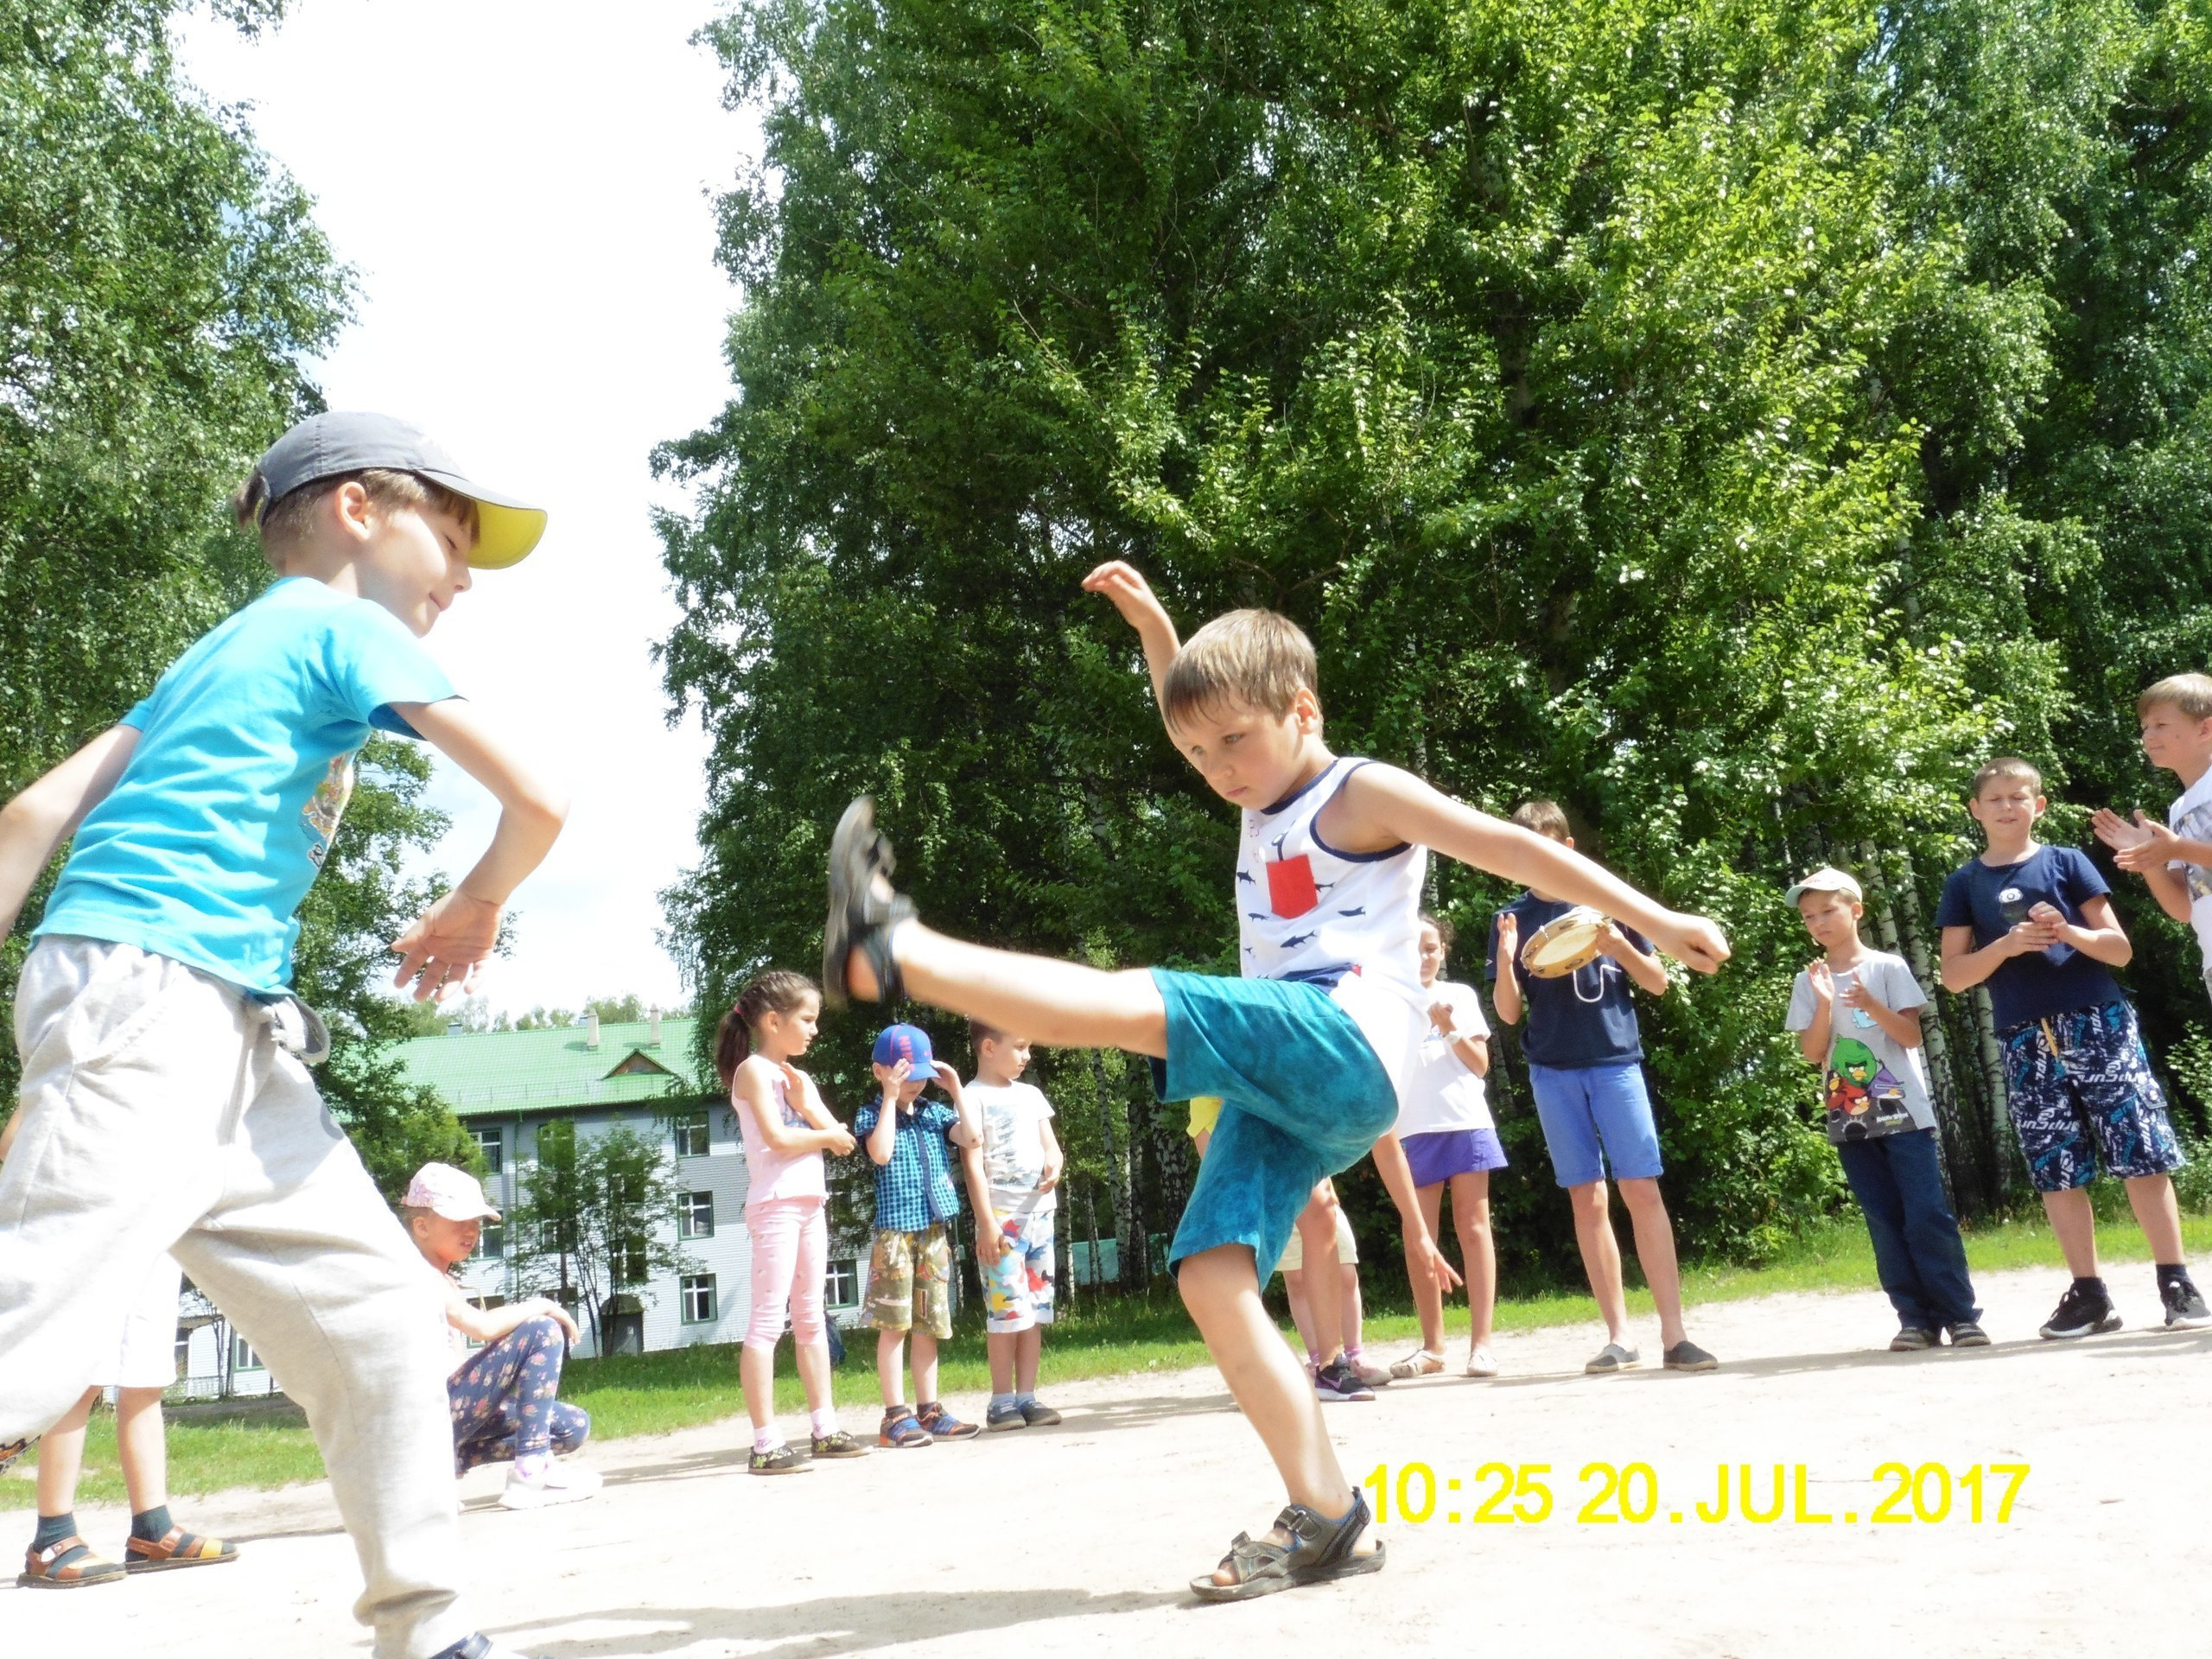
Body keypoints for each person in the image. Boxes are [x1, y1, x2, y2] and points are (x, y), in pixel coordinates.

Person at [818, 563, 1729, 1599]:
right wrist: (1159, 628)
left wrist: (1654, 919)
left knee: (1141, 1003)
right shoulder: (1255, 787)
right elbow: (1188, 710)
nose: (1217, 770)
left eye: (1234, 744)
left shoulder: (1358, 790)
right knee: (1209, 1271)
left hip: (1346, 1035)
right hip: (1296, 1087)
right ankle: (1328, 1512)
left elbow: (1508, 845)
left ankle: (897, 950)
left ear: (1304, 711)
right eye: (1199, 755)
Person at [0, 412, 564, 1659]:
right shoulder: (336, 620)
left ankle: (429, 1635)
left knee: (377, 1324)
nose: (463, 579)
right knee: (29, 1335)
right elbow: (539, 800)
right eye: (452, 537)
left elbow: (31, 813)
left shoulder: (212, 660)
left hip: (232, 1041)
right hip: (152, 998)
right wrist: (477, 902)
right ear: (359, 510)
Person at [1938, 757, 2209, 1335]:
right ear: (1975, 810)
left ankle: (2176, 1282)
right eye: (1995, 799)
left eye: (2019, 797)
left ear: (2039, 806)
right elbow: (1955, 975)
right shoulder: (1964, 883)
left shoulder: (2067, 861)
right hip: (2023, 1035)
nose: (2008, 807)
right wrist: (2008, 946)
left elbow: (2118, 949)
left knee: (2141, 1147)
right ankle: (2089, 1294)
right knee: (2055, 1162)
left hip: (2099, 1021)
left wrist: (2067, 931)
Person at [1488, 800, 1717, 1376]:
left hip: (1616, 1062)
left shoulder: (1610, 903)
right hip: (1552, 1070)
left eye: (1544, 848)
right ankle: (1619, 1336)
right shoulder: (1510, 918)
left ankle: (1675, 1335)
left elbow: (1660, 983)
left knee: (1642, 1191)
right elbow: (1509, 1015)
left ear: (1565, 849)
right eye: (1524, 852)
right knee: (1587, 1201)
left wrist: (1620, 948)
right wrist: (1506, 959)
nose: (1534, 863)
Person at [2, 1109, 238, 1588]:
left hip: (156, 1223)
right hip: (93, 1223)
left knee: (146, 1378)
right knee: (80, 1378)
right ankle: (53, 1538)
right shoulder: (85, 1043)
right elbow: (14, 1141)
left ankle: (153, 1531)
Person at [1783, 868, 1986, 1351]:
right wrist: (1825, 1003)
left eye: (1828, 911)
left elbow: (1911, 1036)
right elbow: (1813, 1053)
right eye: (1809, 917)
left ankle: (1960, 1316)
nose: (1819, 923)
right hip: (1847, 1117)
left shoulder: (1888, 967)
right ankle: (1913, 1319)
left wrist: (1872, 1005)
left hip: (1904, 1113)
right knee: (1883, 1219)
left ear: (1856, 911)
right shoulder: (1808, 980)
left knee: (1926, 1214)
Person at [715, 970, 869, 1473]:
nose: (814, 1030)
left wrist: (808, 1106)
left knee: (810, 1316)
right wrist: (820, 1129)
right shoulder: (754, 1071)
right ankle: (765, 1442)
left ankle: (824, 1429)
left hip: (808, 1202)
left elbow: (842, 1139)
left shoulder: (796, 1078)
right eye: (806, 1020)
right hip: (775, 1204)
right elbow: (781, 1140)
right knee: (767, 1320)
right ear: (773, 1020)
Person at [400, 1164, 602, 1509]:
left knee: (572, 1425)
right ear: (422, 1226)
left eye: (476, 1222)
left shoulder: (438, 1277)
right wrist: (542, 1304)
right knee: (541, 1329)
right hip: (422, 1417)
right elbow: (482, 1327)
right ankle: (530, 1474)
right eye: (459, 1221)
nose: (472, 1231)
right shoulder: (414, 1272)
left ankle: (437, 1476)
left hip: (439, 1421)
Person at [1389, 912, 1505, 1380]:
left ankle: (1482, 1345)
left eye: (1431, 947)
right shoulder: (1389, 1000)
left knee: (1474, 1228)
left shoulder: (1459, 995)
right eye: (1414, 947)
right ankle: (1433, 1347)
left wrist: (1449, 1027)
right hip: (1410, 1130)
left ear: (1444, 951)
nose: (1423, 956)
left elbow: (1480, 1066)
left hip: (1464, 1121)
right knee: (1419, 1235)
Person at [855, 1022, 983, 1446]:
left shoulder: (934, 1112)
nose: (915, 1083)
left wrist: (957, 1092)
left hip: (932, 1233)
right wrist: (890, 1099)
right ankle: (895, 1417)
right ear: (880, 1071)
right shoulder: (872, 1114)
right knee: (895, 1326)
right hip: (895, 1237)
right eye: (904, 1074)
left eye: (921, 1074)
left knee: (929, 1324)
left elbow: (973, 1137)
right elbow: (881, 1152)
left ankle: (929, 1412)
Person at [958, 1020, 1067, 1430]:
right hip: (1001, 1223)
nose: (1026, 1056)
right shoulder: (971, 1097)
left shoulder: (1032, 1095)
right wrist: (986, 1224)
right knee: (1006, 1312)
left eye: (1028, 1048)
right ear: (989, 1047)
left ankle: (1028, 1396)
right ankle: (1000, 1400)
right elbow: (972, 1164)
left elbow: (1051, 1147)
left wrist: (1054, 1163)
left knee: (1035, 1311)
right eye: (1019, 1047)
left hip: (1040, 1217)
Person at [2094, 673, 2212, 1008]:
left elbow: (2184, 850)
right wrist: (2150, 859)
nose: (2147, 736)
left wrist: (2176, 848)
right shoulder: (2179, 809)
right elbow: (2182, 908)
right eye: (2145, 727)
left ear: (2205, 729)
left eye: (2160, 724)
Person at [1274, 1183, 1391, 1396]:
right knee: (1297, 1281)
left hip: (1322, 1202)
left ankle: (1355, 1354)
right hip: (1283, 1206)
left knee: (1346, 1273)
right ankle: (1319, 1360)